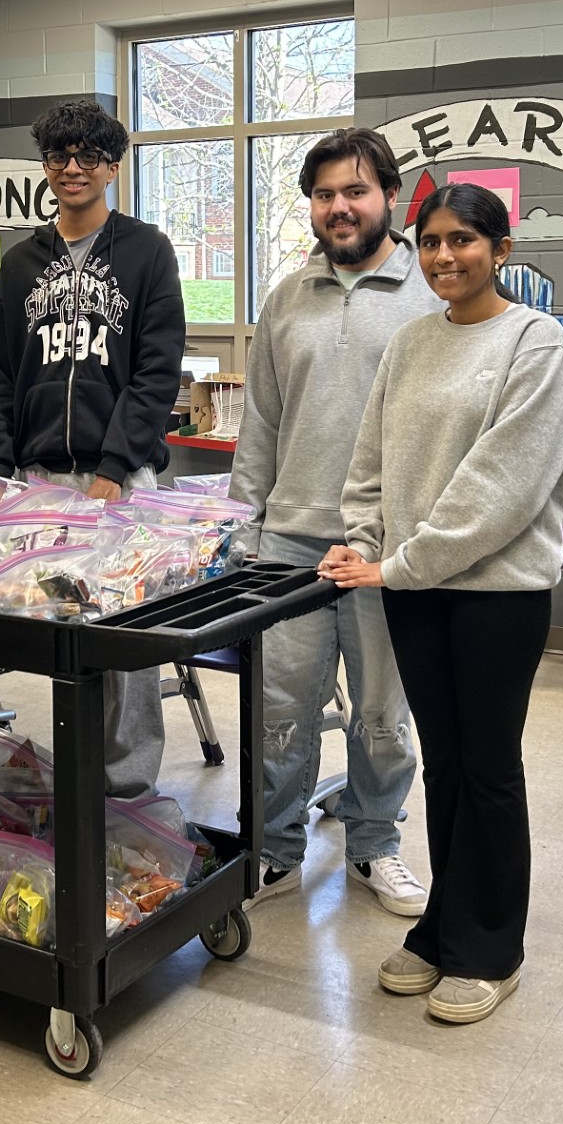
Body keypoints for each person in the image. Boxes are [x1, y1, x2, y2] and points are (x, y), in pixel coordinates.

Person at [322, 182, 563, 1025]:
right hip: (410, 585)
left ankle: (492, 947)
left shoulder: (536, 342)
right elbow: (371, 460)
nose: (443, 257)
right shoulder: (409, 345)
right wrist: (365, 544)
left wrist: (403, 562)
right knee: (443, 762)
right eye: (430, 241)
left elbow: (503, 484)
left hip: (496, 592)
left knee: (489, 767)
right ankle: (444, 925)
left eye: (463, 241)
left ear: (500, 250)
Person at [231, 127, 434, 917]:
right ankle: (274, 849)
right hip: (287, 543)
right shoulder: (286, 299)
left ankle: (376, 844)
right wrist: (244, 530)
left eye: (354, 191)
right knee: (280, 714)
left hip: (386, 548)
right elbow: (262, 426)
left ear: (390, 196)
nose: (339, 208)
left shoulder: (429, 294)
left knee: (383, 718)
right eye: (323, 195)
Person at [0, 98, 185, 799]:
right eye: (60, 156)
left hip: (121, 483)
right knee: (60, 637)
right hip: (41, 481)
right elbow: (1, 375)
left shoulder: (147, 250)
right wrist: (1, 468)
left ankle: (127, 791)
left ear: (113, 167)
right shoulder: (19, 265)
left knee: (126, 644)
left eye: (89, 157)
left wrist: (113, 467)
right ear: (45, 166)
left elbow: (158, 370)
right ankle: (75, 782)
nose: (74, 169)